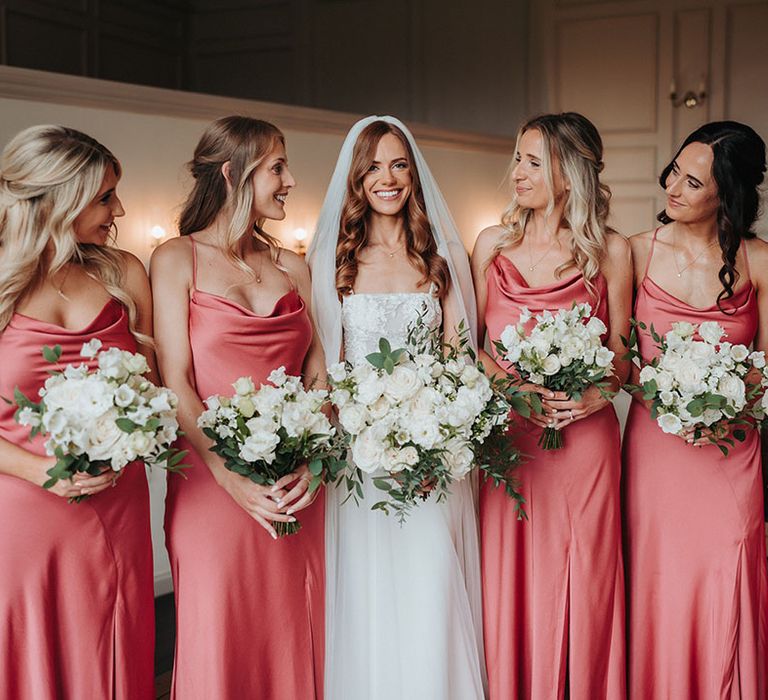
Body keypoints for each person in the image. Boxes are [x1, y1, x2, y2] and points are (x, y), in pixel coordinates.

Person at [309, 115, 487, 700]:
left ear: (413, 172)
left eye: (399, 164)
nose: (387, 178)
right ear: (356, 178)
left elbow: (462, 362)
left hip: (430, 461)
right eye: (374, 167)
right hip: (359, 465)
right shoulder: (335, 262)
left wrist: (432, 434)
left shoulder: (440, 259)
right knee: (368, 597)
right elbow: (324, 373)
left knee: (430, 586)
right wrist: (363, 430)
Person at [151, 116, 326, 699]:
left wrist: (310, 459)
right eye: (277, 167)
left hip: (296, 487)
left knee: (298, 629)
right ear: (233, 173)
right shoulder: (176, 260)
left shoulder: (293, 268)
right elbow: (175, 379)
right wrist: (228, 476)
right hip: (210, 487)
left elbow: (319, 376)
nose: (290, 180)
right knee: (219, 630)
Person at [471, 112, 630, 699]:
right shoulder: (491, 244)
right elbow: (470, 346)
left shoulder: (608, 251)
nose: (517, 171)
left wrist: (593, 396)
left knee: (584, 577)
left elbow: (622, 355)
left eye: (532, 161)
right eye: (517, 158)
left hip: (585, 445)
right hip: (510, 439)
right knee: (512, 580)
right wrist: (511, 389)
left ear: (569, 173)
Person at [0, 125, 155, 699]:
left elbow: (156, 392)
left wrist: (137, 437)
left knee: (113, 644)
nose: (119, 209)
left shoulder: (123, 273)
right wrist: (42, 472)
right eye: (105, 197)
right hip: (22, 509)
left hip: (116, 503)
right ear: (60, 199)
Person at [624, 121, 768, 699]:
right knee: (661, 583)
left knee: (726, 576)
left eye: (693, 181)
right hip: (656, 454)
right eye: (673, 172)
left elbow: (767, 363)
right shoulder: (634, 250)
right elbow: (616, 359)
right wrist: (666, 395)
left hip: (731, 456)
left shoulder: (758, 260)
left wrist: (729, 394)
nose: (673, 188)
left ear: (727, 194)